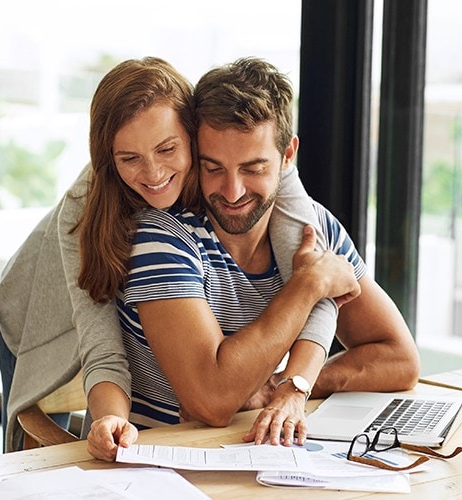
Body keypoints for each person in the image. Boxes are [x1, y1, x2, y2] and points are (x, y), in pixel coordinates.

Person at [0, 57, 344, 453]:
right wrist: (111, 417)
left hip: (128, 317)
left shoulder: (247, 166)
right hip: (41, 315)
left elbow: (314, 274)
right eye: (129, 158)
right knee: (36, 460)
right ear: (109, 157)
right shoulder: (85, 203)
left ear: (192, 135)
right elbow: (100, 338)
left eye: (167, 149)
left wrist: (292, 384)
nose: (154, 173)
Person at [86, 57, 419, 461]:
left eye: (253, 168)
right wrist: (308, 285)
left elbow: (399, 358)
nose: (232, 190)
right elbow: (212, 400)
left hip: (256, 459)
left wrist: (287, 385)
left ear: (287, 155)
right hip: (166, 467)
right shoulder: (161, 237)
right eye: (213, 167)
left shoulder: (314, 227)